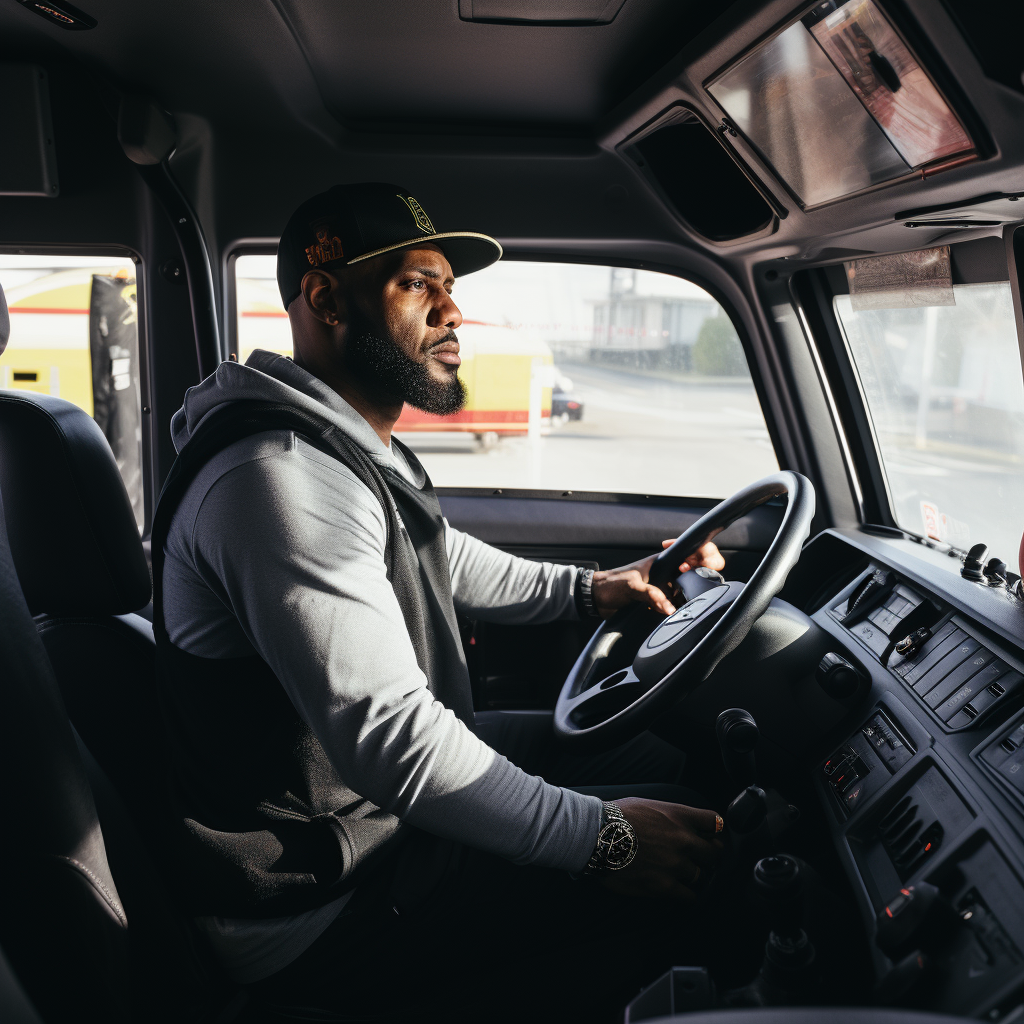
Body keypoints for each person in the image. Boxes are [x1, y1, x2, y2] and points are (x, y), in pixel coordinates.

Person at [155, 182, 726, 1022]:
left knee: (659, 754)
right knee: (686, 893)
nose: (453, 311)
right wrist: (601, 841)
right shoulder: (274, 476)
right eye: (419, 284)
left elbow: (437, 556)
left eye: (452, 289)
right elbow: (393, 740)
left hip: (373, 824)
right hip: (322, 897)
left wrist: (587, 590)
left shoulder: (337, 444)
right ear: (325, 298)